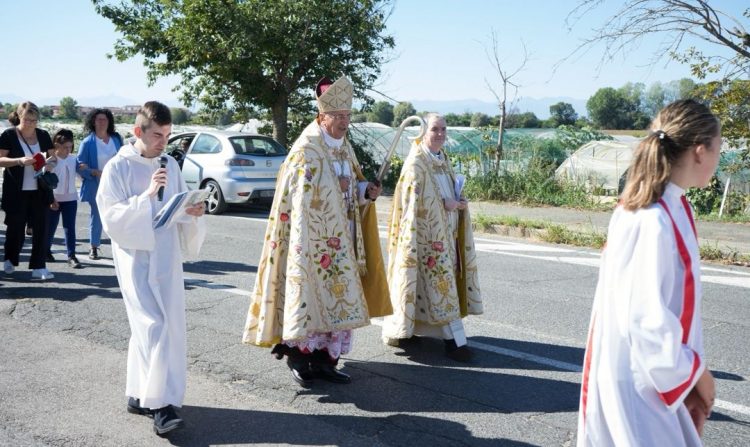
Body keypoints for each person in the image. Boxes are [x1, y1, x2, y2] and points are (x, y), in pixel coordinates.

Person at [577, 99, 719, 446]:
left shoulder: (669, 206)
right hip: (639, 386)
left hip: (651, 378)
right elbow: (647, 320)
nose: (720, 158)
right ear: (700, 151)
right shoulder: (651, 218)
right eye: (719, 148)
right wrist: (698, 377)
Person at [242, 75, 391, 386]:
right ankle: (300, 359)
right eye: (338, 116)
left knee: (337, 302)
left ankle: (327, 361)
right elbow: (296, 191)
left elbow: (353, 187)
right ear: (322, 116)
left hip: (343, 241)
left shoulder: (344, 146)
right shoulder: (307, 147)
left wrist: (366, 191)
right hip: (308, 244)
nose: (344, 122)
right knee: (308, 299)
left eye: (348, 116)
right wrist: (334, 186)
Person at [96, 101, 206, 436]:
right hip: (136, 260)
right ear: (138, 131)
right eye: (158, 135)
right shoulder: (119, 167)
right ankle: (161, 405)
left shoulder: (170, 164)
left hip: (166, 257)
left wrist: (194, 211)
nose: (163, 142)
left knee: (166, 326)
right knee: (152, 327)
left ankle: (138, 394)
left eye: (168, 135)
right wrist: (146, 196)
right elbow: (111, 217)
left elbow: (178, 206)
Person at [381, 113, 483, 362]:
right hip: (424, 236)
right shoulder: (416, 163)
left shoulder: (442, 159)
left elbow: (446, 189)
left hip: (447, 232)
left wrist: (459, 203)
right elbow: (411, 200)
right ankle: (454, 341)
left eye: (443, 129)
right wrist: (443, 203)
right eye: (435, 129)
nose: (440, 134)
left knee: (426, 285)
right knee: (438, 283)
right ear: (423, 133)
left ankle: (410, 330)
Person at [0, 101, 55, 280]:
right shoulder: (8, 135)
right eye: (27, 119)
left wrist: (49, 165)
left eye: (34, 120)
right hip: (16, 190)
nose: (30, 123)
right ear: (19, 117)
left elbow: (53, 158)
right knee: (15, 228)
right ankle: (9, 259)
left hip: (40, 190)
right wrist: (19, 161)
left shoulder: (44, 135)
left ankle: (39, 266)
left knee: (41, 228)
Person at [77, 108, 123, 260]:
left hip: (116, 184)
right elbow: (79, 166)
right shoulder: (87, 142)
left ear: (109, 122)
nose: (102, 122)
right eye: (99, 119)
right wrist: (94, 172)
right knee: (97, 216)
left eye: (105, 119)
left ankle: (121, 246)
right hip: (96, 185)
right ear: (93, 122)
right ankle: (93, 247)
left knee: (119, 214)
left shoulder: (116, 139)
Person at [46, 129, 82, 268]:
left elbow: (81, 175)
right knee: (50, 227)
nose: (68, 150)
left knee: (69, 228)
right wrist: (50, 199)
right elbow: (45, 181)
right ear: (57, 146)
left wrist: (85, 170)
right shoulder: (52, 160)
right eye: (65, 147)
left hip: (71, 199)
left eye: (70, 147)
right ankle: (46, 251)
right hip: (54, 199)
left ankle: (71, 256)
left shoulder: (74, 159)